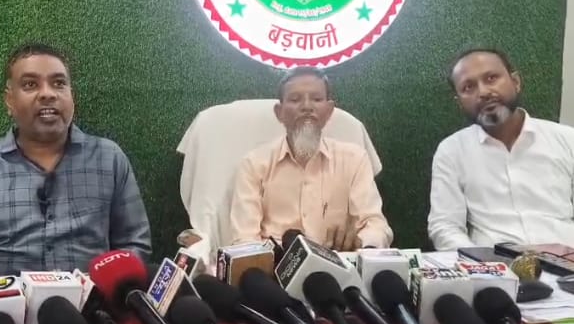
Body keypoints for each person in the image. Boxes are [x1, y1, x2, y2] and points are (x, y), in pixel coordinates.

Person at [0, 43, 152, 280]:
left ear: (72, 96)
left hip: (90, 302)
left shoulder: (108, 158)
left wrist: (99, 289)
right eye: (30, 84)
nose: (48, 94)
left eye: (59, 83)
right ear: (9, 100)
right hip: (1, 302)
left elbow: (133, 244)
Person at [229, 66, 393, 251]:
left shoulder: (354, 159)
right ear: (279, 112)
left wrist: (362, 242)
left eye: (316, 99)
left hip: (338, 262)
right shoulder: (254, 164)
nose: (307, 107)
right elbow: (245, 239)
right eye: (295, 99)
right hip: (275, 264)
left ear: (329, 111)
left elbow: (375, 224)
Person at [428, 48, 574, 251]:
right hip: (496, 267)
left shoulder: (567, 139)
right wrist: (483, 262)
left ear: (516, 82)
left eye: (491, 78)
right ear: (459, 102)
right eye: (468, 87)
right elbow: (444, 227)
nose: (483, 92)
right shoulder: (451, 151)